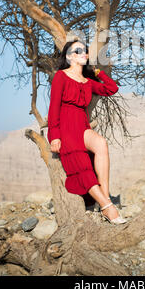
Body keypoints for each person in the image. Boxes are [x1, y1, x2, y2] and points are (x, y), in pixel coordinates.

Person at [47, 38, 127, 225]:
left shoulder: (88, 82)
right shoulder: (61, 76)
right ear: (68, 57)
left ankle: (104, 198)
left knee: (101, 144)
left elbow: (111, 89)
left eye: (85, 51)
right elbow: (53, 107)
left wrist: (98, 71)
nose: (83, 53)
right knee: (82, 164)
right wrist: (54, 136)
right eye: (77, 51)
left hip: (82, 125)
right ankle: (108, 208)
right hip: (66, 128)